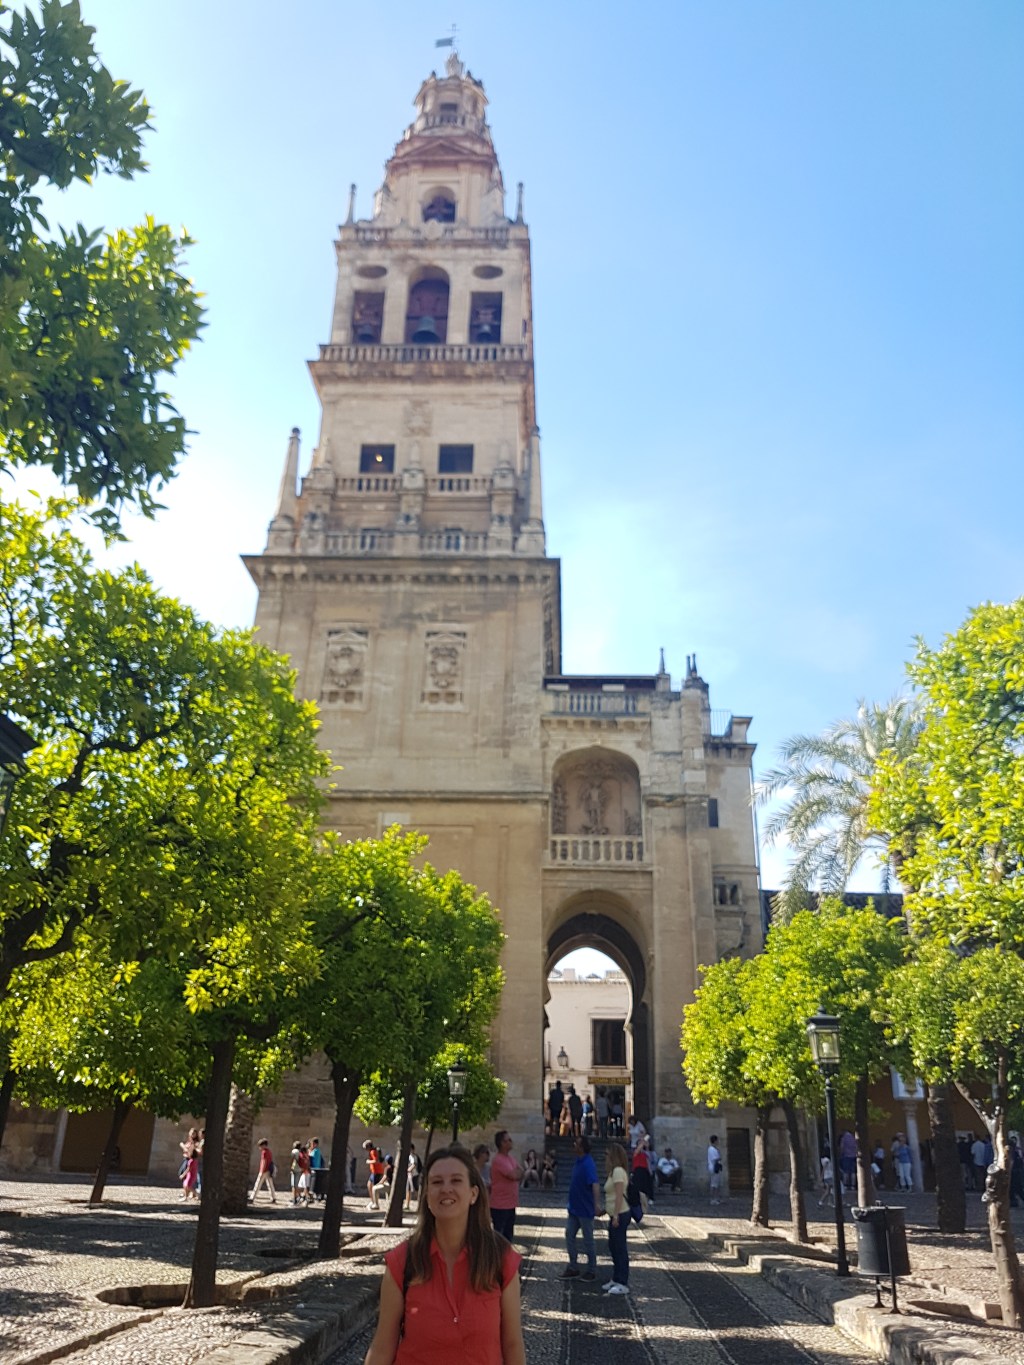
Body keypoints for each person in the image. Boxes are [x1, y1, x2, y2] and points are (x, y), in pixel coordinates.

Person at [362, 1145, 525, 1365]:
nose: (446, 1189)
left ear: (473, 1193)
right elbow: (382, 1347)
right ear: (427, 1196)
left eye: (456, 1181)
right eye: (437, 1182)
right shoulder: (402, 1262)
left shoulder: (500, 1259)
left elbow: (513, 1345)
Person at [560, 1135, 599, 1281]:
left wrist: (596, 1205)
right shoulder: (578, 1161)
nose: (573, 1145)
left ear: (581, 1148)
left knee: (588, 1239)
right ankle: (573, 1266)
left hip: (585, 1209)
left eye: (576, 1143)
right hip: (574, 1208)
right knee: (569, 1235)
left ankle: (592, 1269)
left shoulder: (588, 1163)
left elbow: (594, 1184)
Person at [601, 1142, 630, 1295]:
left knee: (619, 1248)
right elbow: (611, 1196)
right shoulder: (614, 1172)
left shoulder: (618, 1171)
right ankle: (616, 1277)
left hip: (621, 1214)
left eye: (607, 1154)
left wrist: (616, 1215)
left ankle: (622, 1281)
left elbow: (619, 1195)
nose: (605, 1157)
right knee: (613, 1246)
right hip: (614, 1214)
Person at [489, 1130, 524, 1241]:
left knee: (508, 1235)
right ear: (502, 1143)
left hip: (510, 1204)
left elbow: (522, 1171)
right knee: (500, 1236)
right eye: (508, 1140)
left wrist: (518, 1173)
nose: (511, 1142)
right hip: (500, 1205)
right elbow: (514, 1175)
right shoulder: (499, 1160)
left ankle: (506, 1257)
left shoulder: (510, 1158)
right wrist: (517, 1173)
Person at [250, 1138, 277, 1203]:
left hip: (264, 1170)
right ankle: (273, 1197)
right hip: (269, 1170)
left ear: (264, 1145)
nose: (260, 1147)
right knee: (270, 1184)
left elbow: (264, 1161)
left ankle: (252, 1197)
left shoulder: (264, 1152)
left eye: (260, 1146)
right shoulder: (269, 1152)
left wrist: (262, 1170)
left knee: (258, 1184)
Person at [631, 1137, 654, 1211]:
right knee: (637, 1186)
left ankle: (648, 1198)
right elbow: (637, 1150)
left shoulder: (645, 1154)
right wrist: (642, 1142)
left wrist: (647, 1147)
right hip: (637, 1170)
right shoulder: (635, 1152)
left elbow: (648, 1161)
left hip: (644, 1170)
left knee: (646, 1185)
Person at [179, 1128, 200, 1202]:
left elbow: (194, 1151)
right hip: (186, 1159)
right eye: (191, 1132)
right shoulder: (189, 1141)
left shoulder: (196, 1143)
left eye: (194, 1133)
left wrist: (187, 1149)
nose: (192, 1134)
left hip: (189, 1160)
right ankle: (186, 1193)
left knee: (186, 1177)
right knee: (183, 1176)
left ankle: (189, 1193)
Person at [365, 1139, 385, 1205]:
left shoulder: (373, 1152)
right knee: (369, 1185)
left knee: (374, 1188)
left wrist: (368, 1161)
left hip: (377, 1172)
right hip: (374, 1172)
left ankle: (376, 1203)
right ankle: (372, 1201)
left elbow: (376, 1161)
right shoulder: (373, 1151)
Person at [405, 1144, 422, 1210]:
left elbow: (414, 1164)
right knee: (408, 1189)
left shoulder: (413, 1156)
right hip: (411, 1175)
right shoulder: (410, 1156)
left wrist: (408, 1170)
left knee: (415, 1190)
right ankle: (407, 1205)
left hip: (413, 1175)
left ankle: (419, 1204)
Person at [309, 1136, 326, 1202]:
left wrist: (309, 1150)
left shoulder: (315, 1151)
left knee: (314, 1183)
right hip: (316, 1168)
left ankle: (315, 1195)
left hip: (314, 1168)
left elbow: (310, 1157)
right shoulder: (317, 1151)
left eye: (312, 1144)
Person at [707, 1135, 723, 1204]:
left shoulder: (713, 1149)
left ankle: (716, 1198)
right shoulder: (712, 1149)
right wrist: (719, 1158)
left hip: (714, 1168)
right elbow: (715, 1159)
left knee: (715, 1184)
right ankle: (713, 1199)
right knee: (714, 1184)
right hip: (714, 1168)